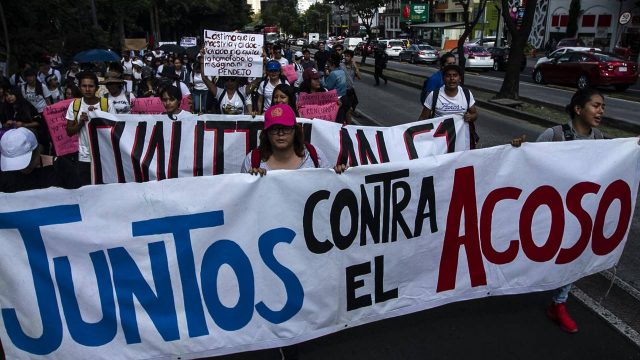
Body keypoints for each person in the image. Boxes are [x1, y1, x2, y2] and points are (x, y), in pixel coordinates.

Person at [510, 88, 607, 334]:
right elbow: (528, 164)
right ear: (578, 109)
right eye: (595, 106)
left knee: (570, 257)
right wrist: (519, 149)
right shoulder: (554, 135)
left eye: (602, 107)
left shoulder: (602, 140)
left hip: (579, 214)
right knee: (539, 255)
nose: (600, 111)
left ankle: (559, 303)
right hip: (548, 212)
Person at [240, 103, 345, 175]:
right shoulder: (252, 161)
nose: (280, 133)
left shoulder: (315, 155)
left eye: (286, 128)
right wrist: (252, 181)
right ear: (266, 133)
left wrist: (339, 174)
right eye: (274, 129)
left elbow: (330, 185)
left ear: (295, 130)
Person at [65, 71, 115, 186]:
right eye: (84, 86)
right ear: (80, 87)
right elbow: (69, 131)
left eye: (91, 86)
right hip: (84, 156)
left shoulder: (107, 104)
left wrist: (98, 117)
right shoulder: (74, 105)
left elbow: (114, 130)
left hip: (104, 155)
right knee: (86, 188)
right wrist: (81, 123)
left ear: (97, 88)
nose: (87, 89)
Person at [0, 127, 80, 192]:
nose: (22, 168)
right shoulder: (6, 176)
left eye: (28, 162)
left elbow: (78, 197)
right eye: (14, 164)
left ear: (38, 151)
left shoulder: (61, 168)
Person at [417, 64, 479, 147]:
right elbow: (423, 118)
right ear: (443, 79)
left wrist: (470, 117)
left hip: (462, 141)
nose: (452, 78)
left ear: (460, 79)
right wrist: (417, 136)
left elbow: (474, 114)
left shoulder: (466, 93)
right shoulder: (434, 95)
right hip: (439, 142)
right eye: (448, 76)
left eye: (455, 75)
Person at [322, 54, 349, 123]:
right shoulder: (342, 71)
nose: (328, 67)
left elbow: (328, 86)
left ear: (333, 65)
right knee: (341, 118)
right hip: (344, 97)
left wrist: (323, 78)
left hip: (337, 99)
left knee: (336, 120)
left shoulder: (333, 73)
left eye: (329, 65)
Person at [341, 49, 361, 120]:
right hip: (343, 91)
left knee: (352, 106)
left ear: (351, 58)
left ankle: (347, 121)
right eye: (345, 56)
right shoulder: (341, 65)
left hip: (350, 90)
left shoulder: (353, 67)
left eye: (348, 56)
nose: (346, 58)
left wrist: (355, 66)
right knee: (346, 108)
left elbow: (359, 77)